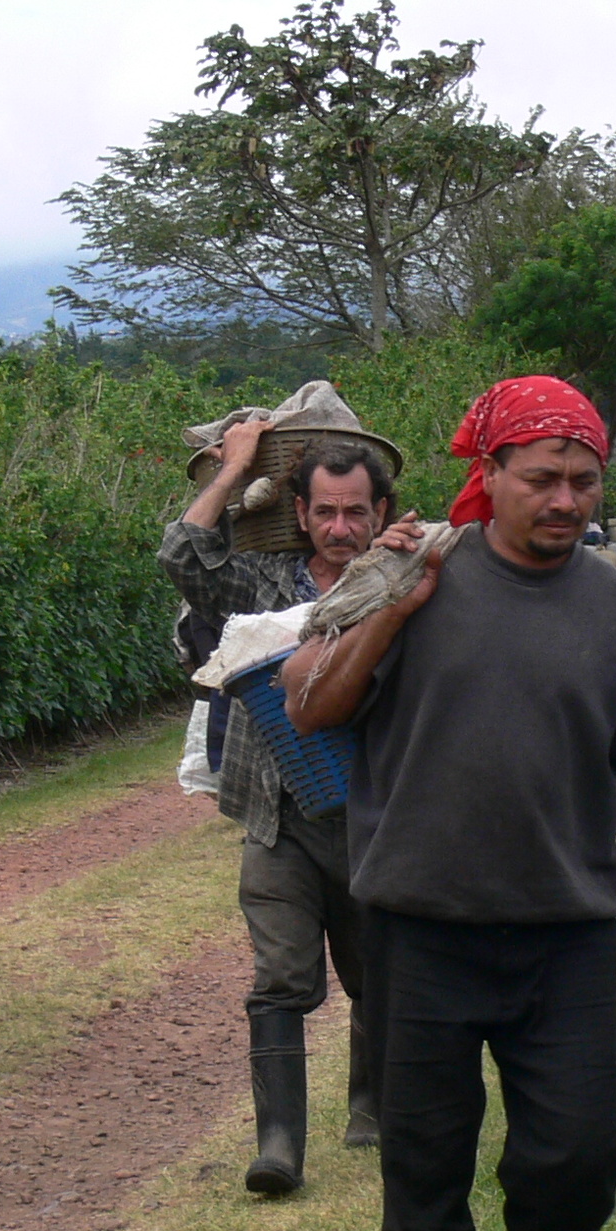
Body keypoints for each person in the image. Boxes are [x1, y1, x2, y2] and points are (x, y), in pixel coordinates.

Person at [283, 376, 616, 1231]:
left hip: (563, 937)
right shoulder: (415, 574)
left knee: (581, 1156)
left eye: (583, 479)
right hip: (417, 934)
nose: (565, 500)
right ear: (490, 477)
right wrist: (393, 610)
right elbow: (316, 708)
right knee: (423, 1177)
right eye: (542, 479)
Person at [160, 394, 407, 1191]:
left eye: (355, 513)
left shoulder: (404, 581)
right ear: (299, 513)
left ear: (381, 514)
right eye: (325, 512)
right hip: (278, 816)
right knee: (279, 979)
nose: (340, 529)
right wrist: (235, 466)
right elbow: (183, 556)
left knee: (379, 976)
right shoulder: (261, 583)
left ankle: (372, 1107)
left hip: (375, 818)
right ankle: (279, 1149)